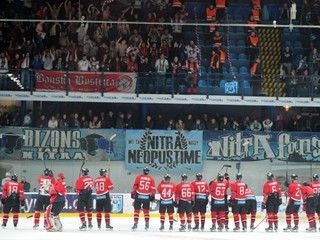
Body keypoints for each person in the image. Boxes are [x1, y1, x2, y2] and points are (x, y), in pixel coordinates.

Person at [131, 166, 156, 231]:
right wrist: (153, 196)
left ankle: (135, 223)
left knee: (136, 210)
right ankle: (147, 223)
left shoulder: (138, 177)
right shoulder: (151, 179)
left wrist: (133, 193)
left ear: (143, 171)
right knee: (146, 211)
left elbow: (135, 186)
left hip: (138, 195)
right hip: (146, 197)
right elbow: (153, 189)